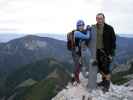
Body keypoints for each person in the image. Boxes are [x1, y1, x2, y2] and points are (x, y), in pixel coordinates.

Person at [93, 13, 116, 92]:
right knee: (100, 67)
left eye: (101, 18)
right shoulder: (94, 27)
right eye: (98, 18)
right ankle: (103, 82)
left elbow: (113, 42)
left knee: (106, 69)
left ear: (104, 19)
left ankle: (107, 85)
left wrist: (111, 54)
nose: (100, 20)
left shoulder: (109, 28)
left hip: (106, 52)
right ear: (96, 19)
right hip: (96, 51)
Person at [67, 20, 92, 84]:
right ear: (77, 26)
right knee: (77, 65)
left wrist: (87, 29)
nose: (81, 27)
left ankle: (74, 77)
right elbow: (87, 37)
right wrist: (89, 30)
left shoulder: (79, 32)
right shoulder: (76, 33)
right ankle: (74, 79)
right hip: (75, 52)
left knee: (79, 65)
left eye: (82, 25)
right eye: (79, 25)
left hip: (78, 51)